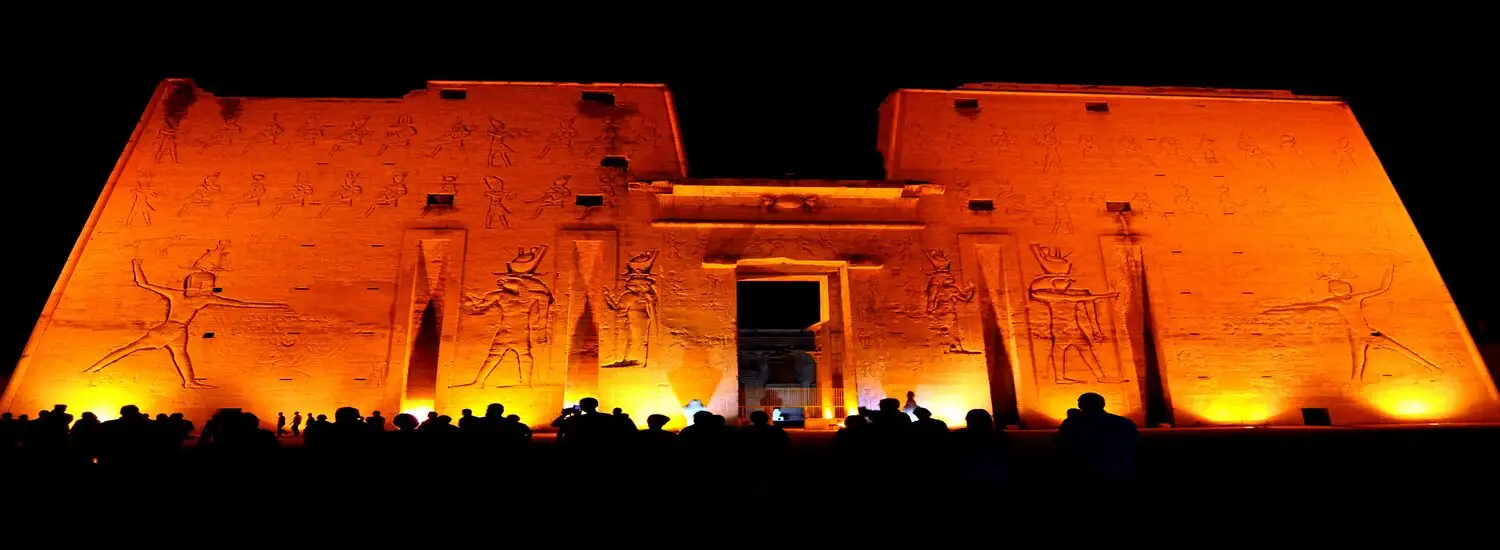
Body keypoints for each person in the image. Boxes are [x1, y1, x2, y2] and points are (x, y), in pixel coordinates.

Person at [1056, 392, 1140, 480]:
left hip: (1085, 470)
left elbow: (1062, 445)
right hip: (1119, 469)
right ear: (1103, 404)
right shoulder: (1123, 422)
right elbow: (1136, 445)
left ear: (1080, 405)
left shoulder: (1072, 423)